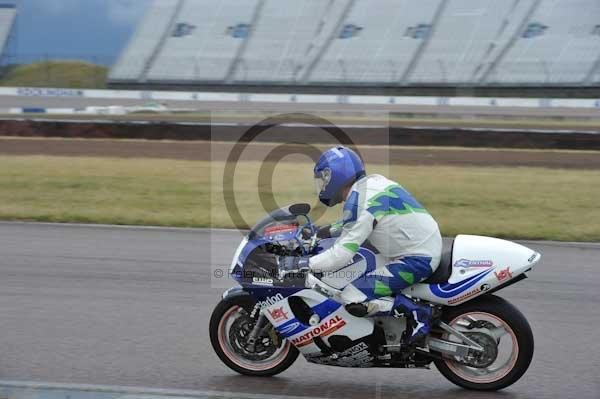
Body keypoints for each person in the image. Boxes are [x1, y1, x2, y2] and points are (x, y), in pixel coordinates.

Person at [280, 146, 442, 344]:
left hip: (416, 260)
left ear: (335, 176)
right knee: (359, 267)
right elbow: (355, 224)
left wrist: (302, 264)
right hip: (414, 248)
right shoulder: (371, 185)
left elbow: (340, 255)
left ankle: (418, 314)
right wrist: (322, 232)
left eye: (324, 179)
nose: (322, 185)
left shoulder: (358, 201)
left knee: (351, 295)